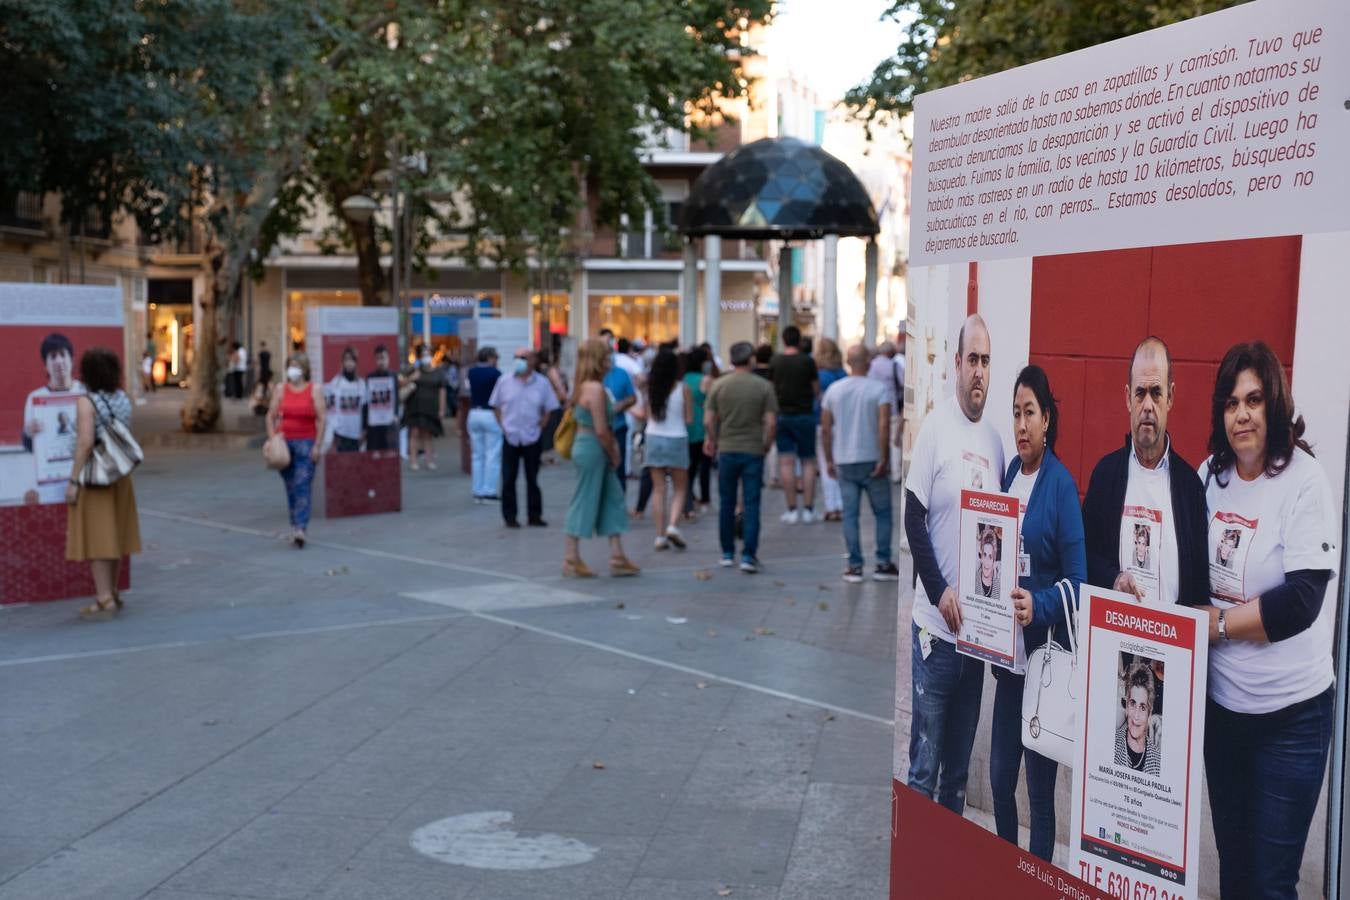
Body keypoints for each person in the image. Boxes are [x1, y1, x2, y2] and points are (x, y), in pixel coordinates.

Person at [1197, 340, 1339, 900]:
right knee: (1235, 874)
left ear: (1273, 403)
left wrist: (1221, 626)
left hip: (1292, 722)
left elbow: (1302, 600)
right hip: (1224, 716)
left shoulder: (1304, 480)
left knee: (1270, 885)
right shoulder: (1209, 476)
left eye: (1253, 399)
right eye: (1231, 402)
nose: (1242, 414)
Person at [903, 314, 1004, 813]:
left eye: (987, 361)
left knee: (957, 779)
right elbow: (912, 518)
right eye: (972, 360)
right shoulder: (935, 430)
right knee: (924, 768)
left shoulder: (996, 442)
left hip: (976, 642)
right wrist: (940, 589)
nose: (979, 371)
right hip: (935, 638)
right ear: (956, 363)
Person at [989, 363, 1085, 862]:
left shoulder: (1062, 486)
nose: (1021, 425)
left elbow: (1079, 580)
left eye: (1030, 413)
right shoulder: (1008, 475)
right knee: (1000, 781)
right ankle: (1010, 872)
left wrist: (1039, 603)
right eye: (1015, 414)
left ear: (1047, 420)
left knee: (1041, 801)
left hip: (1044, 665)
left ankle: (1039, 882)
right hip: (1008, 667)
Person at [1082, 337, 1209, 607]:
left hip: (1172, 644)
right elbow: (1085, 557)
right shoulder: (1105, 477)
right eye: (1140, 393)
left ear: (1170, 397)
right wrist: (1114, 580)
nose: (1148, 405)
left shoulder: (1190, 487)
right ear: (1128, 398)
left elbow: (1199, 585)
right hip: (1116, 642)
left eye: (1156, 392)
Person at [64, 348, 141, 618]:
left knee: (98, 539)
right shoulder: (122, 398)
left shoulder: (87, 402)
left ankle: (103, 598)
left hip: (96, 477)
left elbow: (85, 442)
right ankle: (114, 593)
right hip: (120, 475)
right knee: (116, 535)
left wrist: (73, 480)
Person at [563, 339, 639, 578]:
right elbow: (601, 429)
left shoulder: (583, 385)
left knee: (611, 498)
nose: (610, 361)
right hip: (594, 447)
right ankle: (571, 557)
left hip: (589, 446)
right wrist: (614, 453)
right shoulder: (594, 388)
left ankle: (617, 554)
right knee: (585, 498)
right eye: (606, 356)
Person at [820, 343, 895, 583]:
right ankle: (882, 563)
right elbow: (884, 426)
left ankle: (854, 566)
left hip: (844, 460)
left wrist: (829, 459)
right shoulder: (879, 390)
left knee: (850, 514)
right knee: (882, 513)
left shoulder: (833, 390)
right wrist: (884, 457)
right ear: (869, 362)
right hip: (872, 459)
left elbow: (825, 429)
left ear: (848, 362)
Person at [704, 341, 778, 573]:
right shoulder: (763, 386)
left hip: (727, 448)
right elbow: (771, 421)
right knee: (752, 503)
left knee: (726, 502)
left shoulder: (719, 385)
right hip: (753, 450)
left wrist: (714, 440)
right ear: (751, 359)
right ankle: (748, 554)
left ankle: (727, 552)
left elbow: (708, 420)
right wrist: (766, 444)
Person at [490, 349, 559, 528]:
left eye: (523, 358)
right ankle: (510, 516)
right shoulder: (504, 381)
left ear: (533, 361)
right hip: (511, 435)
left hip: (531, 436)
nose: (519, 361)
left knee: (532, 478)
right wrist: (503, 425)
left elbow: (550, 407)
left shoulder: (542, 383)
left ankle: (534, 515)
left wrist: (542, 425)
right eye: (517, 357)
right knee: (508, 478)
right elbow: (495, 405)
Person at [266, 352, 326, 547]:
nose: (293, 370)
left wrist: (317, 445)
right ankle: (296, 525)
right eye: (291, 365)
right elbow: (270, 415)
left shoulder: (314, 390)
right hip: (285, 444)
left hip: (306, 443)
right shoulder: (280, 390)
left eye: (297, 366)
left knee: (302, 485)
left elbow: (322, 418)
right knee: (291, 486)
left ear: (305, 369)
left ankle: (300, 528)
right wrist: (273, 438)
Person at [23, 332, 86, 502]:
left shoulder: (86, 393)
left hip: (83, 478)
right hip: (51, 483)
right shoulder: (34, 399)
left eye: (62, 355)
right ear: (46, 365)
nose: (58, 361)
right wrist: (28, 433)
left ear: (71, 359)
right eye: (52, 356)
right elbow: (31, 447)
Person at [642, 347, 693, 551]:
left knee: (658, 489)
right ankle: (673, 525)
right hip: (677, 437)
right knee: (680, 488)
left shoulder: (651, 389)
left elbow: (648, 416)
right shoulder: (683, 388)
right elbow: (688, 419)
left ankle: (659, 535)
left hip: (654, 437)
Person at [770, 325, 820, 524]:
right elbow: (816, 389)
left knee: (786, 463)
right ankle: (808, 509)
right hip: (805, 415)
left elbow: (771, 388)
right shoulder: (807, 361)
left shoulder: (776, 361)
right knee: (808, 462)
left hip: (783, 416)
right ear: (799, 341)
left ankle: (791, 510)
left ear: (783, 340)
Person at [814, 337, 848, 522]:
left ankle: (831, 506)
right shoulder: (842, 373)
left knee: (825, 463)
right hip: (842, 423)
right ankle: (841, 505)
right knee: (840, 464)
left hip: (823, 422)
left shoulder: (819, 375)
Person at [1114, 660, 1162, 775]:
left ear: (1149, 714)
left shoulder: (1158, 761)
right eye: (1132, 703)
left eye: (1143, 707)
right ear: (1126, 706)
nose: (1136, 715)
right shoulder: (1111, 746)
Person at [682, 346, 714, 518]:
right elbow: (714, 403)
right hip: (702, 425)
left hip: (687, 425)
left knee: (690, 465)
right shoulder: (707, 380)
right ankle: (705, 498)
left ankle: (689, 496)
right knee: (705, 465)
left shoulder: (684, 379)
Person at [466, 347, 503, 496]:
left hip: (474, 412)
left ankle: (477, 489)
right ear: (490, 358)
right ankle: (489, 490)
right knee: (492, 454)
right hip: (490, 413)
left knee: (477, 455)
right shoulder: (496, 374)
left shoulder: (472, 372)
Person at [403, 345, 446, 470]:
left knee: (428, 434)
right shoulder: (414, 370)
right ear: (419, 356)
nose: (426, 357)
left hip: (431, 407)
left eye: (428, 354)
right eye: (423, 354)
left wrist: (442, 409)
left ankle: (429, 461)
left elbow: (442, 391)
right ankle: (413, 461)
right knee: (414, 433)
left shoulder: (438, 372)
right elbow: (401, 382)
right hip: (415, 406)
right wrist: (412, 377)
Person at [602, 349, 637, 499]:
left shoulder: (622, 373)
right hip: (600, 429)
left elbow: (632, 397)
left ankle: (619, 502)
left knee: (619, 469)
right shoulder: (594, 376)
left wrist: (621, 405)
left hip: (618, 427)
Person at [325, 347, 366, 452]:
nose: (349, 363)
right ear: (343, 362)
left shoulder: (361, 384)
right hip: (340, 433)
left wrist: (364, 431)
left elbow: (365, 408)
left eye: (352, 360)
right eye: (347, 360)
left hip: (356, 434)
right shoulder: (336, 382)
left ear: (356, 362)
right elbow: (331, 409)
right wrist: (333, 431)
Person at [363, 344, 401, 451]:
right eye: (379, 358)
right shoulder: (370, 377)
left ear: (388, 359)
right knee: (374, 452)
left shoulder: (394, 376)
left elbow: (397, 398)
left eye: (383, 358)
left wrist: (396, 414)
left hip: (389, 422)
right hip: (374, 424)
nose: (381, 361)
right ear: (375, 360)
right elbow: (367, 401)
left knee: (389, 451)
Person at [537, 349, 569, 462]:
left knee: (544, 429)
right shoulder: (551, 370)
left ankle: (541, 453)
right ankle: (548, 454)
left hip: (541, 404)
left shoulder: (537, 370)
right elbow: (558, 385)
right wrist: (565, 399)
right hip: (554, 403)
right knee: (552, 430)